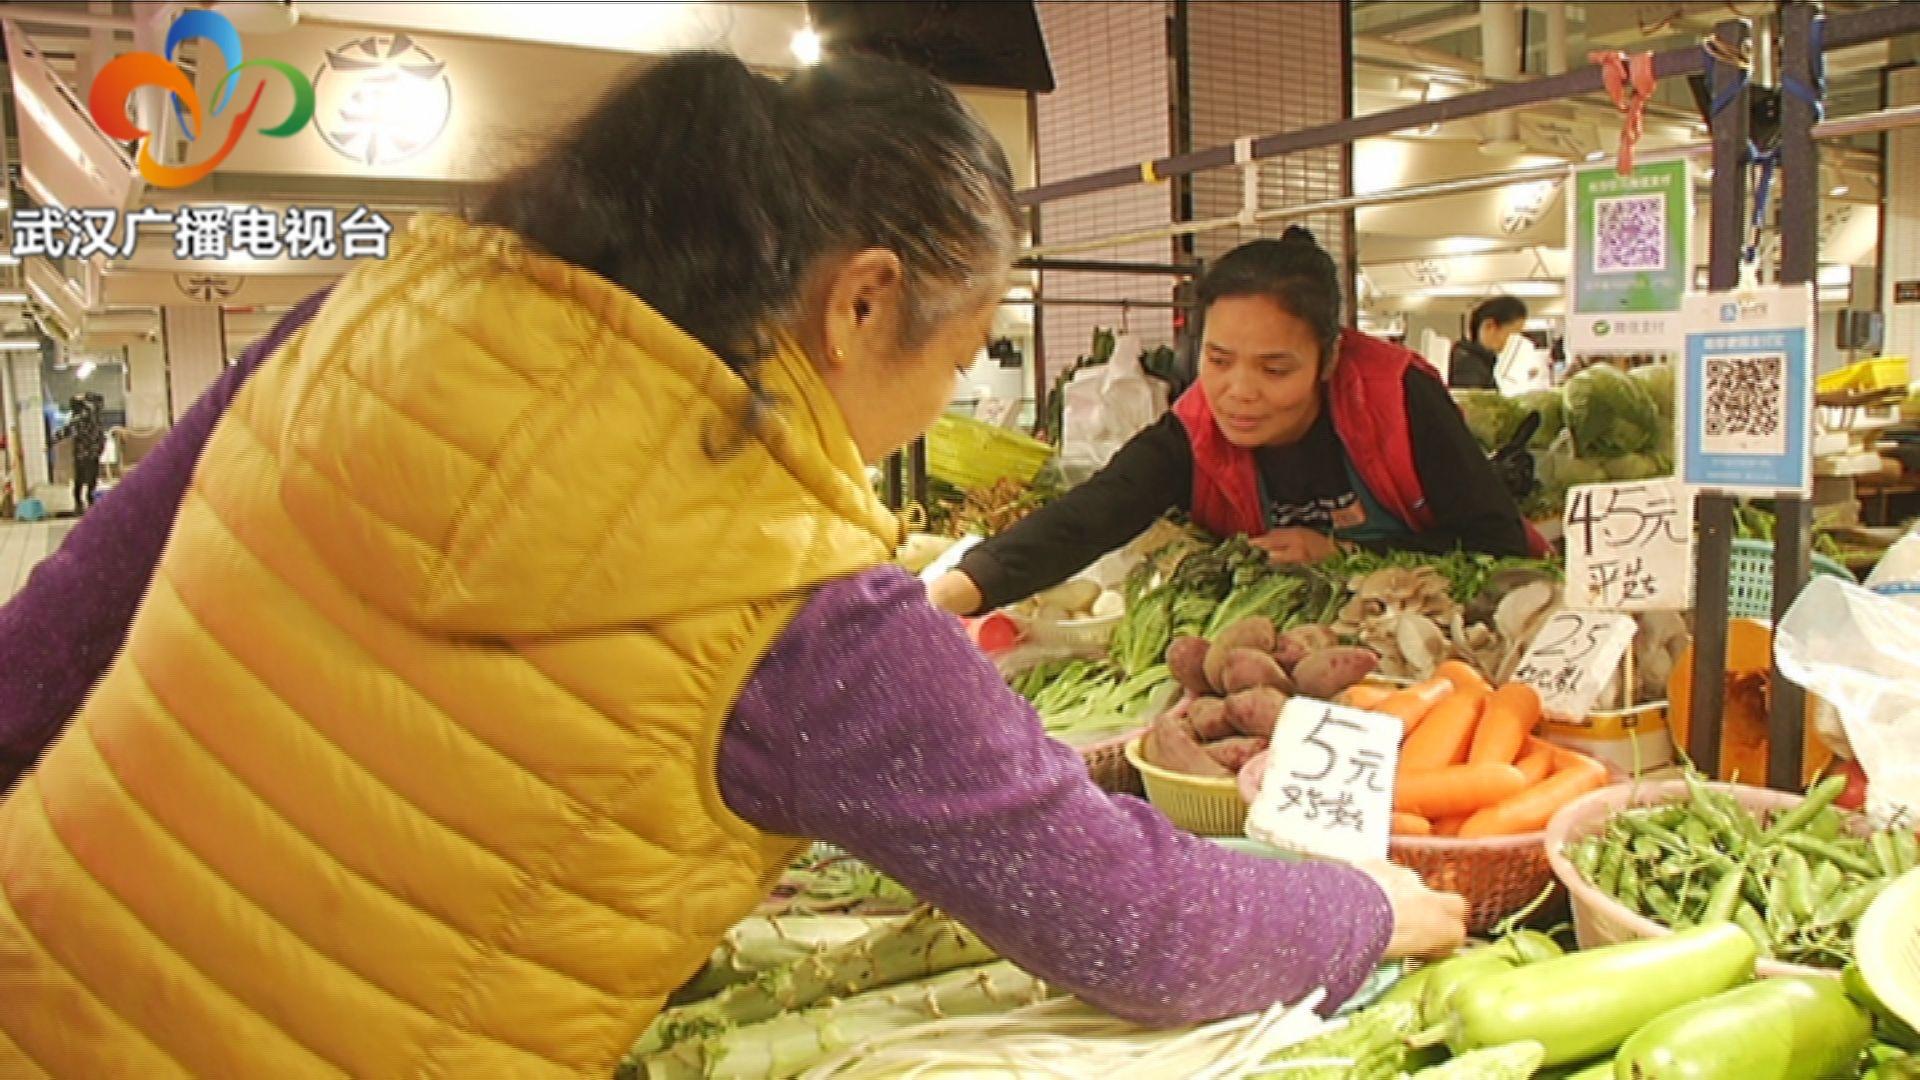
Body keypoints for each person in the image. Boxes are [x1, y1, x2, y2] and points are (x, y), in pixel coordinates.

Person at [0, 54, 1464, 1077]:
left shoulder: (354, 316)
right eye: (960, 356)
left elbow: (37, 663)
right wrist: (1357, 906)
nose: (950, 400)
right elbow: (1129, 922)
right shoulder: (792, 599)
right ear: (862, 302)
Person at [930, 229, 1542, 619]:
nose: (1238, 393)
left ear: (1328, 358)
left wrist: (1343, 553)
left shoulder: (1398, 395)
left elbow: (1498, 546)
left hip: (1446, 632)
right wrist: (950, 594)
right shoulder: (1196, 427)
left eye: (1275, 369)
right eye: (1218, 362)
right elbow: (1091, 515)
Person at [1447, 295, 1528, 390]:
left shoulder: (1482, 362)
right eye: (1513, 336)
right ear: (1490, 326)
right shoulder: (1468, 368)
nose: (1514, 344)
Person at [59, 392, 106, 513]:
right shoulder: (94, 415)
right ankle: (90, 502)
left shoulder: (78, 419)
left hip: (82, 453)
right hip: (94, 451)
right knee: (92, 479)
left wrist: (48, 443)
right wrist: (86, 395)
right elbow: (99, 399)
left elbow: (64, 432)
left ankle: (79, 504)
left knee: (79, 479)